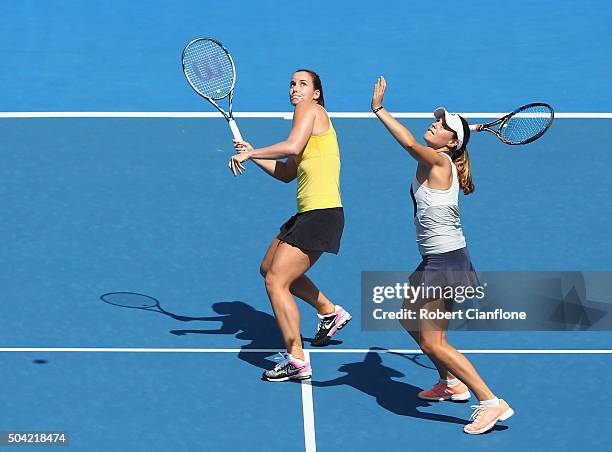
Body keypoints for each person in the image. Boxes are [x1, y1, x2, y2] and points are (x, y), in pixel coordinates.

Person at [370, 76, 513, 434]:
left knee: (435, 339)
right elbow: (449, 139)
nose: (434, 123)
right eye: (439, 120)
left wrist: (379, 110)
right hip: (436, 260)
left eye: (443, 125)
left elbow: (405, 142)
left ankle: (491, 401)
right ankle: (449, 383)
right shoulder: (446, 155)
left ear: (450, 141)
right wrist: (466, 129)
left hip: (446, 262)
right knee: (408, 318)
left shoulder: (438, 161)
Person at [229, 69, 352, 382]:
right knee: (269, 267)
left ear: (316, 94)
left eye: (303, 84)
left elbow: (292, 146)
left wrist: (254, 151)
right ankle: (328, 311)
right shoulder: (310, 121)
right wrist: (253, 154)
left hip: (321, 214)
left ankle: (296, 358)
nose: (295, 89)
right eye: (292, 84)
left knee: (276, 281)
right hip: (309, 213)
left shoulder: (309, 110)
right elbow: (286, 172)